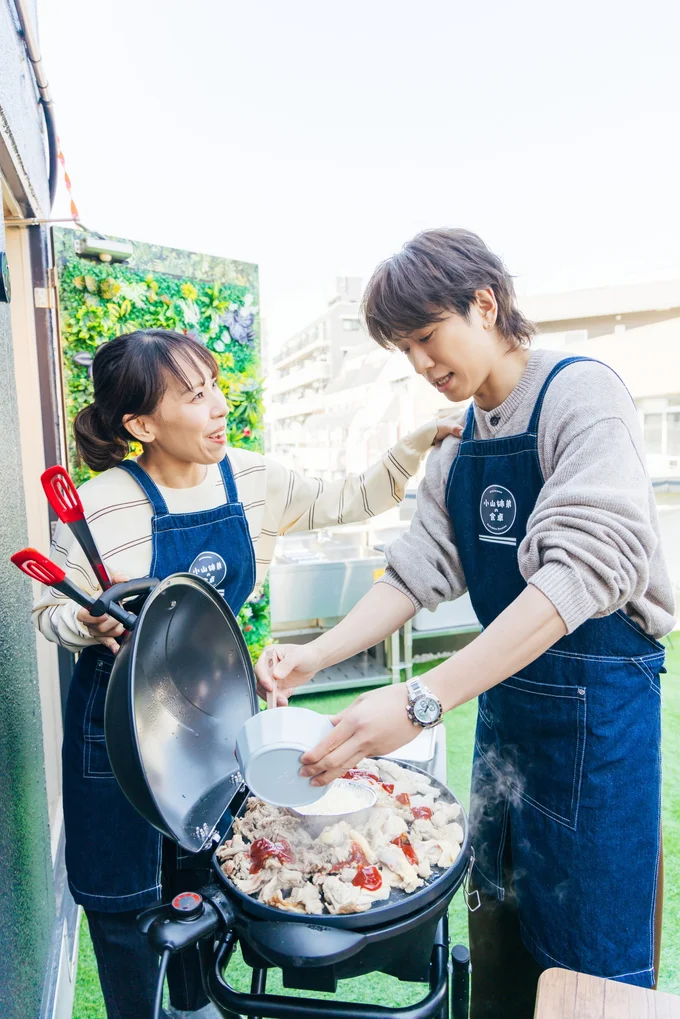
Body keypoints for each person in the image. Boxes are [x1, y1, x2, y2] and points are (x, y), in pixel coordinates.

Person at [255, 229, 676, 1017]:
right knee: (500, 928)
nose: (420, 364)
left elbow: (580, 572)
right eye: (403, 350)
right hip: (506, 709)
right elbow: (417, 570)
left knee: (592, 966)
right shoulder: (460, 440)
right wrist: (315, 656)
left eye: (426, 337)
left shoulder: (580, 394)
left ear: (485, 303)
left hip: (603, 720)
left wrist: (422, 698)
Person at [33, 328, 461, 1019]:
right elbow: (49, 607)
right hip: (113, 726)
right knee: (121, 901)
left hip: (213, 711)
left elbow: (349, 497)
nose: (219, 406)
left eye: (214, 387)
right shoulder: (99, 505)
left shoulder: (252, 477)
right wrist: (85, 623)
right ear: (141, 424)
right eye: (195, 396)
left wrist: (416, 443)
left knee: (208, 878)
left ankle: (198, 1007)